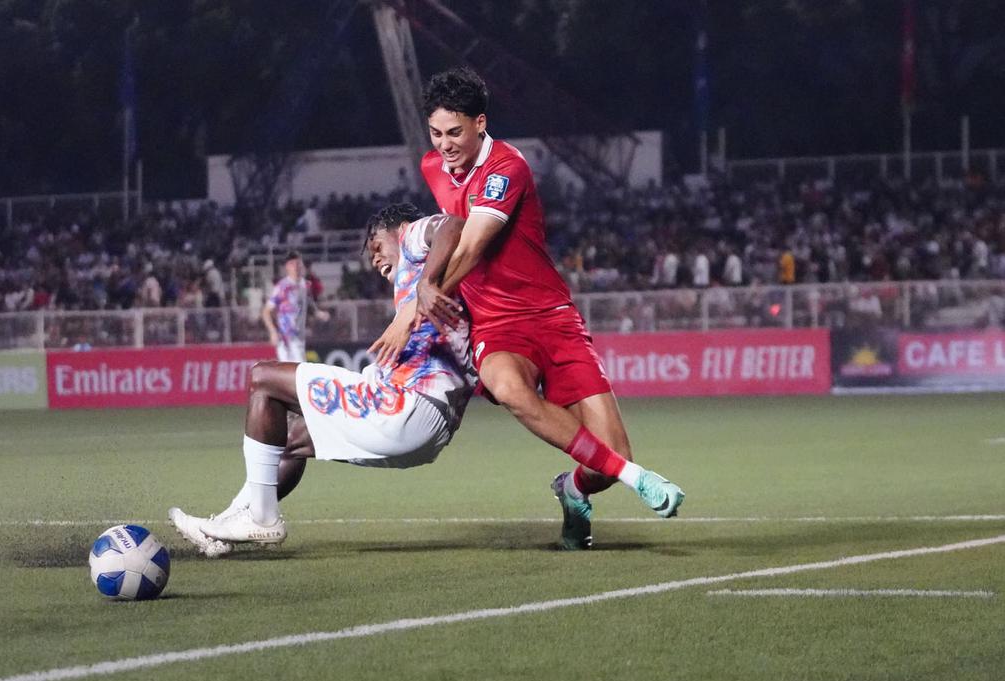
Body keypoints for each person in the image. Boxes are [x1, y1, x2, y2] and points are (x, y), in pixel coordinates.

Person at [377, 66, 683, 550]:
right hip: (495, 326)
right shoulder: (432, 167)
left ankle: (574, 489)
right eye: (436, 133)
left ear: (480, 122)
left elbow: (473, 245)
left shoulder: (507, 167)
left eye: (454, 132)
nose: (444, 145)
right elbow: (447, 236)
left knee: (609, 459)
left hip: (553, 318)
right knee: (507, 386)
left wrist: (419, 303)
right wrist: (418, 285)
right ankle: (633, 477)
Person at [168, 204, 475, 556]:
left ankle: (262, 518)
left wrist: (426, 283)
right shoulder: (437, 281)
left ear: (400, 227)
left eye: (376, 245)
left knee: (262, 378)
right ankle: (222, 529)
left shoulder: (411, 236)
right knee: (290, 439)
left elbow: (453, 225)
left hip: (405, 406)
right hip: (429, 426)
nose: (374, 259)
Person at [262, 251, 329, 362]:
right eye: (292, 264)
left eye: (298, 263)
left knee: (295, 369)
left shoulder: (305, 285)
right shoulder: (282, 287)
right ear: (287, 267)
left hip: (300, 337)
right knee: (296, 368)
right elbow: (266, 311)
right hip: (285, 338)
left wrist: (319, 314)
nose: (296, 267)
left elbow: (310, 307)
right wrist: (272, 332)